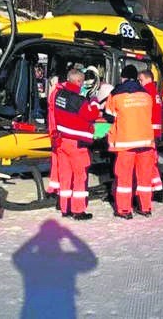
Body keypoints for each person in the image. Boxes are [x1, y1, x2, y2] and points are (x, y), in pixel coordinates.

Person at [104, 65, 155, 219]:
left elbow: (109, 116)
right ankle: (145, 207)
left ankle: (124, 209)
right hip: (146, 141)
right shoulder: (146, 95)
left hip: (126, 142)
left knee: (124, 177)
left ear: (123, 77)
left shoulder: (116, 94)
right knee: (145, 177)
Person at [52, 69, 101, 220]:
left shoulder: (59, 95)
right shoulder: (78, 100)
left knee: (65, 176)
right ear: (78, 82)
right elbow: (92, 114)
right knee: (80, 177)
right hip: (76, 144)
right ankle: (78, 210)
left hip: (62, 142)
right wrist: (93, 100)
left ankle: (65, 207)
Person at [138, 69, 163, 203]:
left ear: (148, 79)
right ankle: (158, 189)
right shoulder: (155, 92)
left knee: (146, 164)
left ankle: (155, 191)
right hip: (155, 133)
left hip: (148, 133)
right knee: (152, 163)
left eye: (141, 80)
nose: (139, 82)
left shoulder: (146, 93)